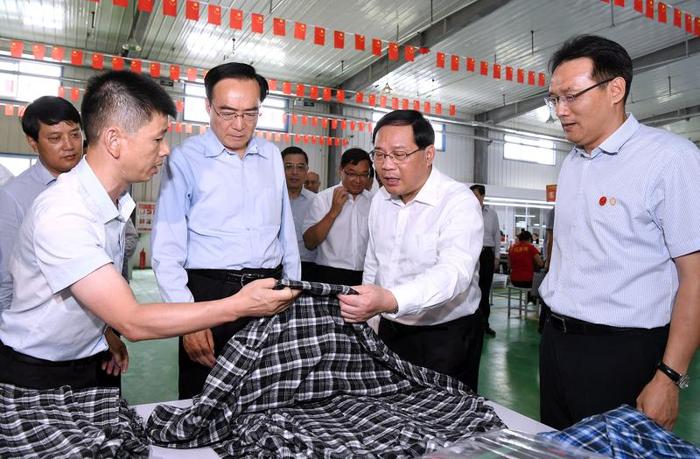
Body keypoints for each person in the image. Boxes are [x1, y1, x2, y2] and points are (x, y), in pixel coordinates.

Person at [0, 70, 297, 391]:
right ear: (114, 141)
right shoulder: (64, 212)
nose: (166, 149)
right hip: (39, 371)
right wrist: (239, 305)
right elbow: (133, 320)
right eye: (157, 139)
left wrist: (106, 333)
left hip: (90, 355)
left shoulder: (109, 202)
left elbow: (93, 297)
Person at [539, 35, 700, 430]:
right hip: (556, 341)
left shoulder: (671, 159)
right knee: (557, 447)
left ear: (615, 90)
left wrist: (669, 376)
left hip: (624, 352)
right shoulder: (573, 162)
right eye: (554, 99)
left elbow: (695, 278)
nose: (560, 111)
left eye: (571, 96)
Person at [151, 62, 300, 399]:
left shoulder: (271, 156)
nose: (239, 124)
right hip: (210, 294)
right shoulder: (185, 159)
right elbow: (167, 248)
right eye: (228, 113)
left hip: (269, 290)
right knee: (204, 399)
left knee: (267, 398)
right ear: (208, 107)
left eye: (250, 113)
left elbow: (285, 231)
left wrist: (291, 287)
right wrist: (188, 320)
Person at [337, 110, 484, 391]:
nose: (386, 166)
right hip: (390, 329)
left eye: (399, 155)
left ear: (428, 154)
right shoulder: (381, 199)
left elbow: (454, 273)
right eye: (379, 155)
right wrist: (372, 320)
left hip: (444, 336)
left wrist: (391, 299)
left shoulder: (458, 202)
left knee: (443, 412)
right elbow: (374, 262)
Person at [0, 96, 83, 312]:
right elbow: (6, 275)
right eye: (55, 138)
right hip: (38, 321)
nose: (69, 145)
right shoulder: (14, 197)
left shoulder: (96, 184)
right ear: (32, 142)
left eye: (75, 134)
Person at [303, 148, 373, 286]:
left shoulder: (374, 201)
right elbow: (309, 242)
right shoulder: (323, 199)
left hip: (364, 276)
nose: (358, 180)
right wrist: (333, 212)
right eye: (352, 174)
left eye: (364, 175)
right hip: (329, 274)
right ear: (341, 170)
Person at [282, 146, 317, 281]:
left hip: (308, 266)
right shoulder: (270, 200)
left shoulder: (316, 201)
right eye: (289, 167)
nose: (295, 172)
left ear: (307, 170)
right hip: (277, 264)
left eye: (300, 167)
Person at [470, 184, 500, 337]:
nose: (473, 198)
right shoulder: (466, 212)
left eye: (476, 195)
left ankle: (484, 324)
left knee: (485, 290)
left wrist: (497, 256)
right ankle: (471, 326)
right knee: (470, 290)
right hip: (471, 255)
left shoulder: (492, 214)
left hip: (487, 254)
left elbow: (497, 235)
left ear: (483, 196)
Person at [508, 230, 544, 304]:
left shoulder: (512, 248)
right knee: (541, 277)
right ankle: (535, 299)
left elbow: (509, 265)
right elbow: (540, 263)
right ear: (529, 239)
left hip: (514, 281)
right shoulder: (531, 247)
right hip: (527, 282)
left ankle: (530, 297)